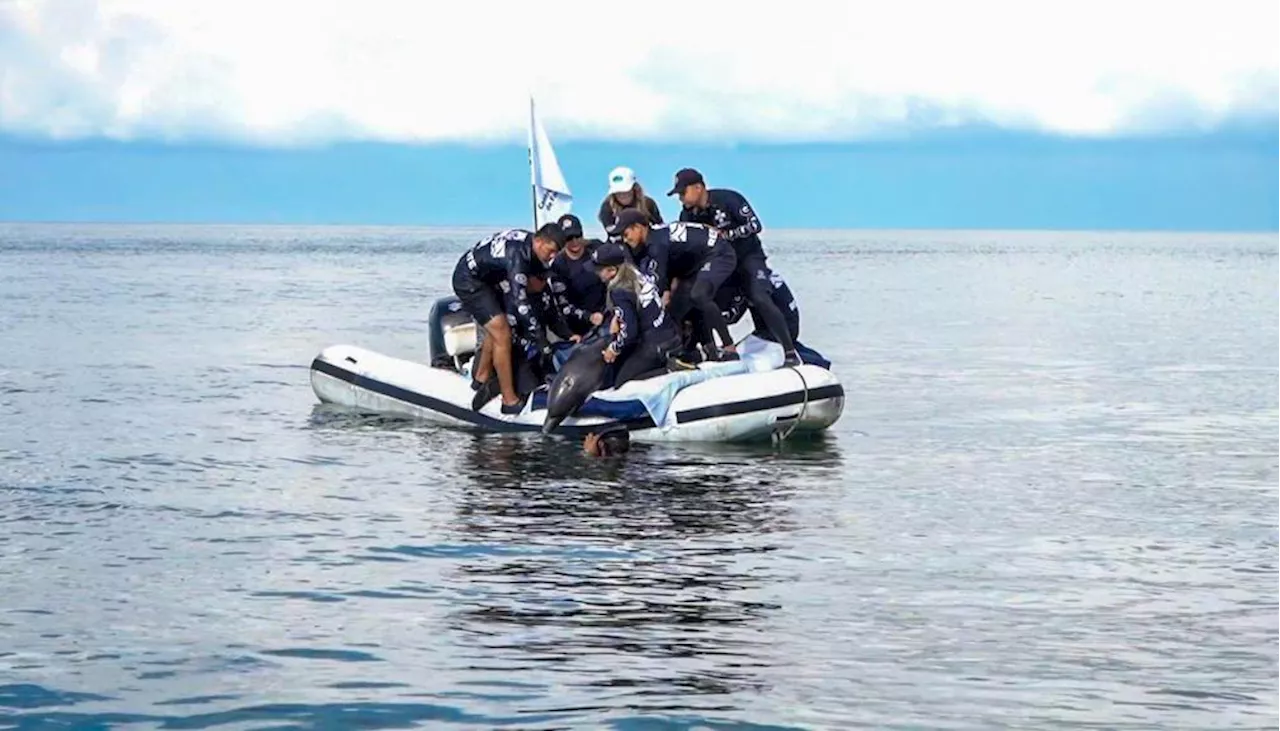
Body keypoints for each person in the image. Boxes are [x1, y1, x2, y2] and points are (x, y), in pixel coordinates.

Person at [670, 167, 802, 367]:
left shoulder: (728, 199)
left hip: (747, 257)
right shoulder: (687, 215)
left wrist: (726, 235)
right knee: (700, 297)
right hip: (721, 264)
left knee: (759, 296)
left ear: (698, 187)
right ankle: (711, 351)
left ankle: (790, 352)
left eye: (683, 193)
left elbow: (755, 225)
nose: (681, 199)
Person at [451, 225, 563, 413]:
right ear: (538, 241)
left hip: (488, 278)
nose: (552, 256)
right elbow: (521, 303)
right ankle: (509, 400)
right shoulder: (517, 256)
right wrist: (540, 340)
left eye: (555, 253)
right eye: (550, 251)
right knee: (502, 333)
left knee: (496, 327)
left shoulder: (529, 247)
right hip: (469, 280)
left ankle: (480, 378)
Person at [609, 208, 739, 362]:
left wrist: (625, 313)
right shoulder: (654, 235)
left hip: (719, 254)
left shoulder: (657, 245)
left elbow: (655, 285)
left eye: (625, 234)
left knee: (699, 295)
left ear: (638, 227)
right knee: (677, 308)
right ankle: (706, 349)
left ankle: (729, 347)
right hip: (696, 262)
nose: (625, 240)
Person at [591, 242, 683, 386]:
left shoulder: (619, 290)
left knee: (622, 382)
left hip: (655, 346)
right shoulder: (635, 273)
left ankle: (669, 369)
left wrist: (614, 348)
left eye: (599, 269)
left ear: (612, 270)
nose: (596, 273)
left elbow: (630, 333)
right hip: (670, 335)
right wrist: (617, 316)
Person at [546, 214, 608, 338]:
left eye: (577, 236)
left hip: (607, 317)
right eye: (569, 238)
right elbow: (564, 305)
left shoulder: (596, 247)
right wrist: (589, 317)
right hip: (580, 328)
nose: (574, 241)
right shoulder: (559, 265)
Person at [598, 166, 663, 241]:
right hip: (619, 243)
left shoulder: (648, 203)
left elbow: (660, 227)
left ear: (634, 188)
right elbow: (611, 233)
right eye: (618, 192)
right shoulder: (607, 207)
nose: (622, 195)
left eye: (625, 191)